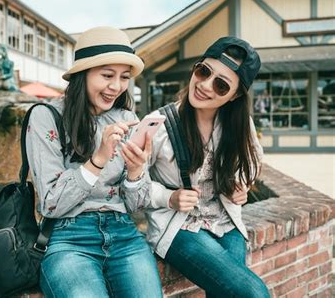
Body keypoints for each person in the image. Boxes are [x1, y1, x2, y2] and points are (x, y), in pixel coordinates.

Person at [25, 26, 163, 298]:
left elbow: (135, 205)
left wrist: (136, 172)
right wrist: (98, 159)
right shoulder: (46, 117)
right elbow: (51, 202)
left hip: (123, 232)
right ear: (83, 74)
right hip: (68, 236)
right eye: (107, 75)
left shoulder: (125, 117)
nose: (117, 86)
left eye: (124, 77)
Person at [146, 37, 270, 298]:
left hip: (226, 222)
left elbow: (255, 161)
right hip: (179, 228)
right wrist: (168, 197)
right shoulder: (158, 125)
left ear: (235, 96)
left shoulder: (239, 124)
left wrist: (241, 184)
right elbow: (129, 185)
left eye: (221, 85)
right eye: (203, 71)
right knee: (254, 293)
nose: (204, 85)